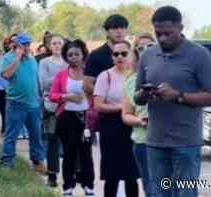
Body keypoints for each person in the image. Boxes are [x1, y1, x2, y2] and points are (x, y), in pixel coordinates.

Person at [134, 6, 211, 197]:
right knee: (160, 193)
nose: (162, 38)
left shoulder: (199, 54)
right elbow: (137, 97)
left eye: (168, 33)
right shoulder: (148, 55)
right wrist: (145, 94)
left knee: (185, 193)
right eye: (158, 34)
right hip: (155, 141)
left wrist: (179, 96)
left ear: (180, 28)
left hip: (186, 143)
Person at [50, 39, 95, 197]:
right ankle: (68, 187)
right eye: (69, 55)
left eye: (77, 54)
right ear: (65, 57)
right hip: (67, 118)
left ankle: (88, 185)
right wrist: (66, 96)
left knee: (86, 154)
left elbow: (98, 92)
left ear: (83, 55)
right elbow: (52, 96)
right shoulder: (61, 75)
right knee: (69, 153)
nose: (73, 57)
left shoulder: (90, 74)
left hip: (86, 118)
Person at [94, 40, 139, 197]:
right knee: (111, 175)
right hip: (111, 127)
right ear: (112, 56)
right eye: (116, 54)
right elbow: (98, 105)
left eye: (124, 53)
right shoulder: (105, 76)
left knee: (131, 175)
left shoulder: (136, 76)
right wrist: (122, 108)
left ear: (131, 54)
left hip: (132, 127)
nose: (120, 57)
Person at [0, 32, 46, 173]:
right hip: (16, 104)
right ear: (16, 45)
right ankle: (7, 162)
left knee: (36, 135)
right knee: (11, 135)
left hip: (33, 104)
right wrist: (18, 57)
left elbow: (35, 80)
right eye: (24, 44)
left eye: (28, 44)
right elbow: (6, 75)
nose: (27, 47)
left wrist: (39, 97)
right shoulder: (7, 58)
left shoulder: (31, 59)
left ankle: (37, 162)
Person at [122, 34, 155, 197]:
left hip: (169, 141)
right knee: (151, 189)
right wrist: (140, 121)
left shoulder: (170, 74)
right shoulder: (131, 81)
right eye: (140, 48)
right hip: (142, 141)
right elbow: (126, 114)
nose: (145, 50)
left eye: (150, 45)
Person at [39, 35, 66, 187]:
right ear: (49, 46)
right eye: (54, 43)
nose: (56, 46)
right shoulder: (44, 62)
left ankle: (72, 173)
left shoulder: (69, 60)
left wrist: (56, 80)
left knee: (70, 141)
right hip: (51, 106)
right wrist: (63, 77)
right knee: (53, 141)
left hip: (68, 105)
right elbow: (43, 83)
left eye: (59, 43)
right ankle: (52, 174)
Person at [83, 14, 129, 96]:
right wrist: (107, 97)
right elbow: (87, 85)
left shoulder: (131, 53)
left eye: (122, 28)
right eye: (115, 28)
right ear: (107, 31)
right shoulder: (96, 55)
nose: (119, 31)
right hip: (104, 105)